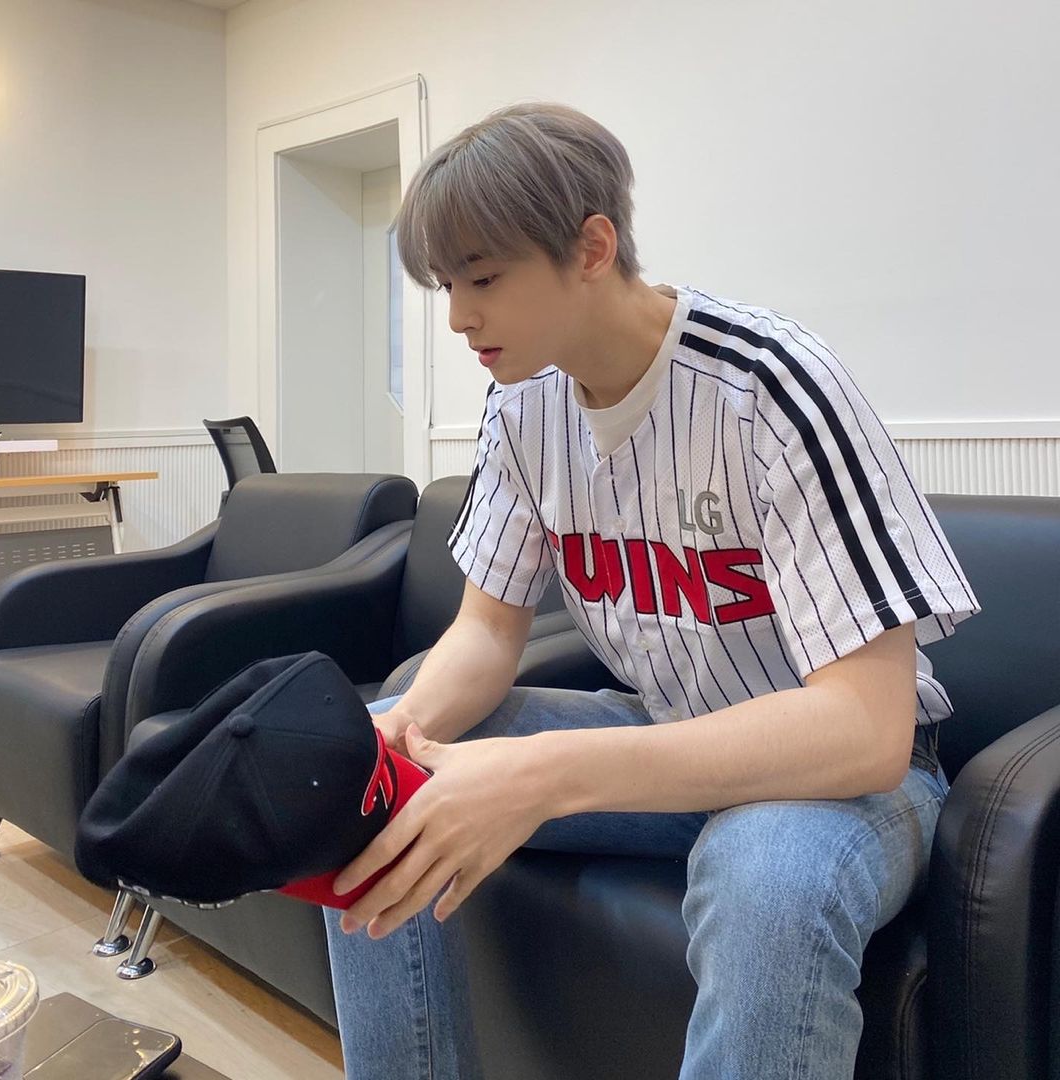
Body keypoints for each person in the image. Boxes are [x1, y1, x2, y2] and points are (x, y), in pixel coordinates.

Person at [323, 102, 980, 1079]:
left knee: (766, 880)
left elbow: (866, 730)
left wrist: (545, 775)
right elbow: (486, 633)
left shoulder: (771, 387)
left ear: (592, 247)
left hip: (840, 776)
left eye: (484, 279)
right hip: (665, 728)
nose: (458, 317)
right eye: (447, 285)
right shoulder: (520, 407)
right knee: (365, 777)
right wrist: (393, 735)